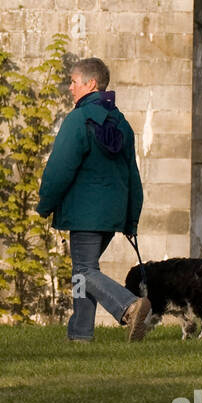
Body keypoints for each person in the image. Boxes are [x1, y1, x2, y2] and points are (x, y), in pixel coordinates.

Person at [36, 57, 151, 342]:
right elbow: (132, 175)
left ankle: (128, 306)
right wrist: (131, 218)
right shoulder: (122, 123)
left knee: (85, 270)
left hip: (85, 213)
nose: (70, 87)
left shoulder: (77, 120)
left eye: (74, 82)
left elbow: (60, 168)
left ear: (91, 84)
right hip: (111, 215)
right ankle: (79, 334)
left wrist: (45, 203)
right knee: (83, 271)